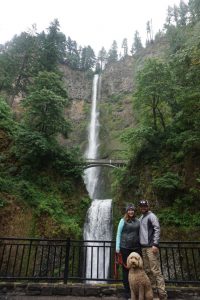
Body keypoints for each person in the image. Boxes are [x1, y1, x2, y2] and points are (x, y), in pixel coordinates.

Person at [138, 199, 168, 300]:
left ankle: (162, 295)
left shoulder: (152, 216)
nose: (143, 208)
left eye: (145, 206)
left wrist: (155, 244)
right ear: (140, 208)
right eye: (142, 206)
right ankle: (153, 292)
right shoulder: (141, 217)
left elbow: (157, 229)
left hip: (151, 247)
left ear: (148, 206)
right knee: (147, 271)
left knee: (155, 270)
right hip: (143, 248)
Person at [116, 204, 141, 299]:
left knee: (137, 269)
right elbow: (118, 233)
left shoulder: (138, 221)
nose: (131, 212)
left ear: (134, 211)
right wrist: (117, 248)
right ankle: (127, 292)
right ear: (127, 211)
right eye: (129, 210)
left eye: (132, 210)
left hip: (136, 248)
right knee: (126, 269)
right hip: (125, 247)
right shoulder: (122, 221)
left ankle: (136, 291)